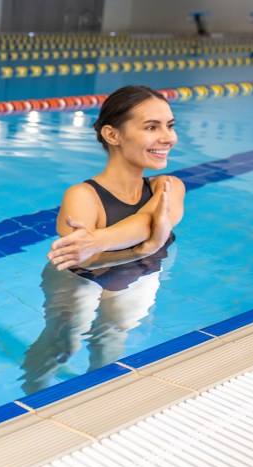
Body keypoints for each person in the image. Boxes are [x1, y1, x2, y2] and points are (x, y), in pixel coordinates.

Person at [22, 85, 186, 393]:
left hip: (139, 272)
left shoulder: (169, 185)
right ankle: (33, 395)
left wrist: (100, 240)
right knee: (63, 344)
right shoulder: (83, 196)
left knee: (111, 341)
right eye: (152, 127)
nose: (168, 137)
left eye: (170, 125)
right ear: (113, 135)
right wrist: (147, 246)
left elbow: (143, 223)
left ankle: (96, 403)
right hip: (79, 279)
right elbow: (85, 261)